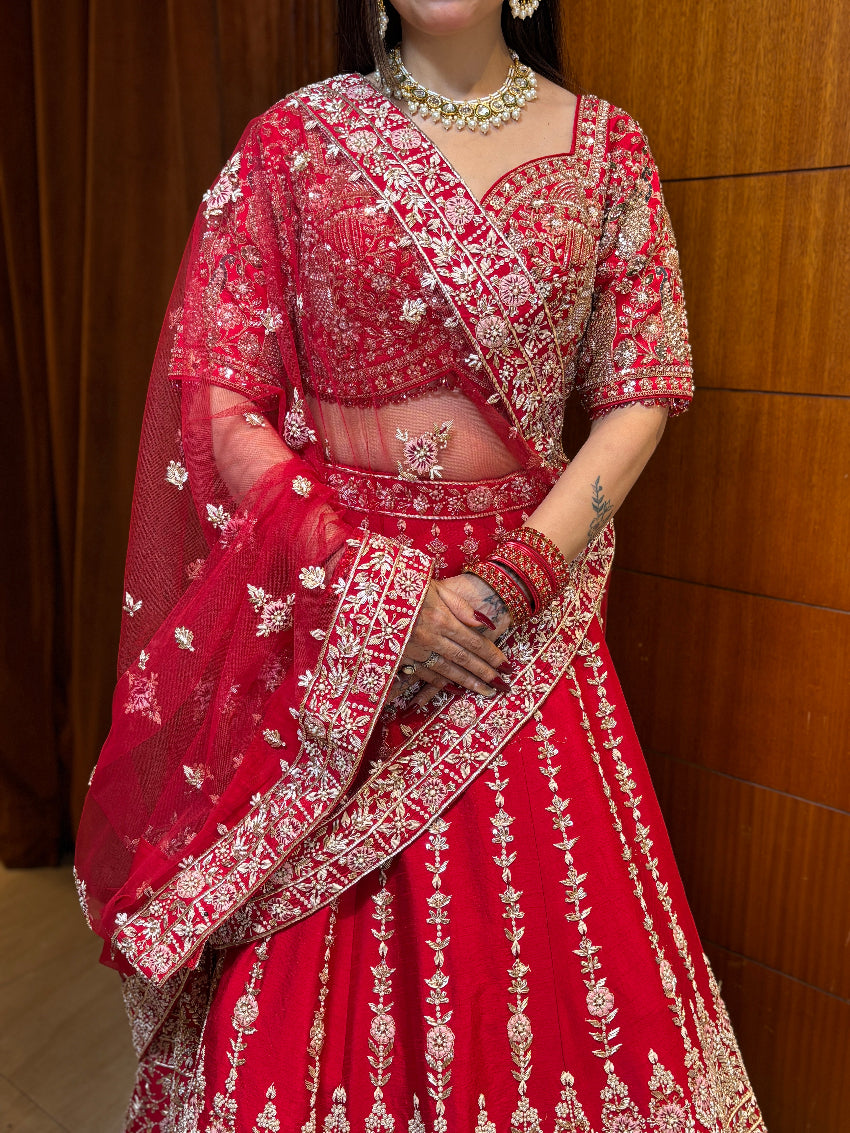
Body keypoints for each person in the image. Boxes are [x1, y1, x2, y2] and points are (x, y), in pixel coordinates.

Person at [74, 1, 767, 1129]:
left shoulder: (607, 148)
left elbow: (640, 391)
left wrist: (517, 578)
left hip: (520, 635)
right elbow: (221, 401)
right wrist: (371, 591)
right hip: (338, 636)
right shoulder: (291, 142)